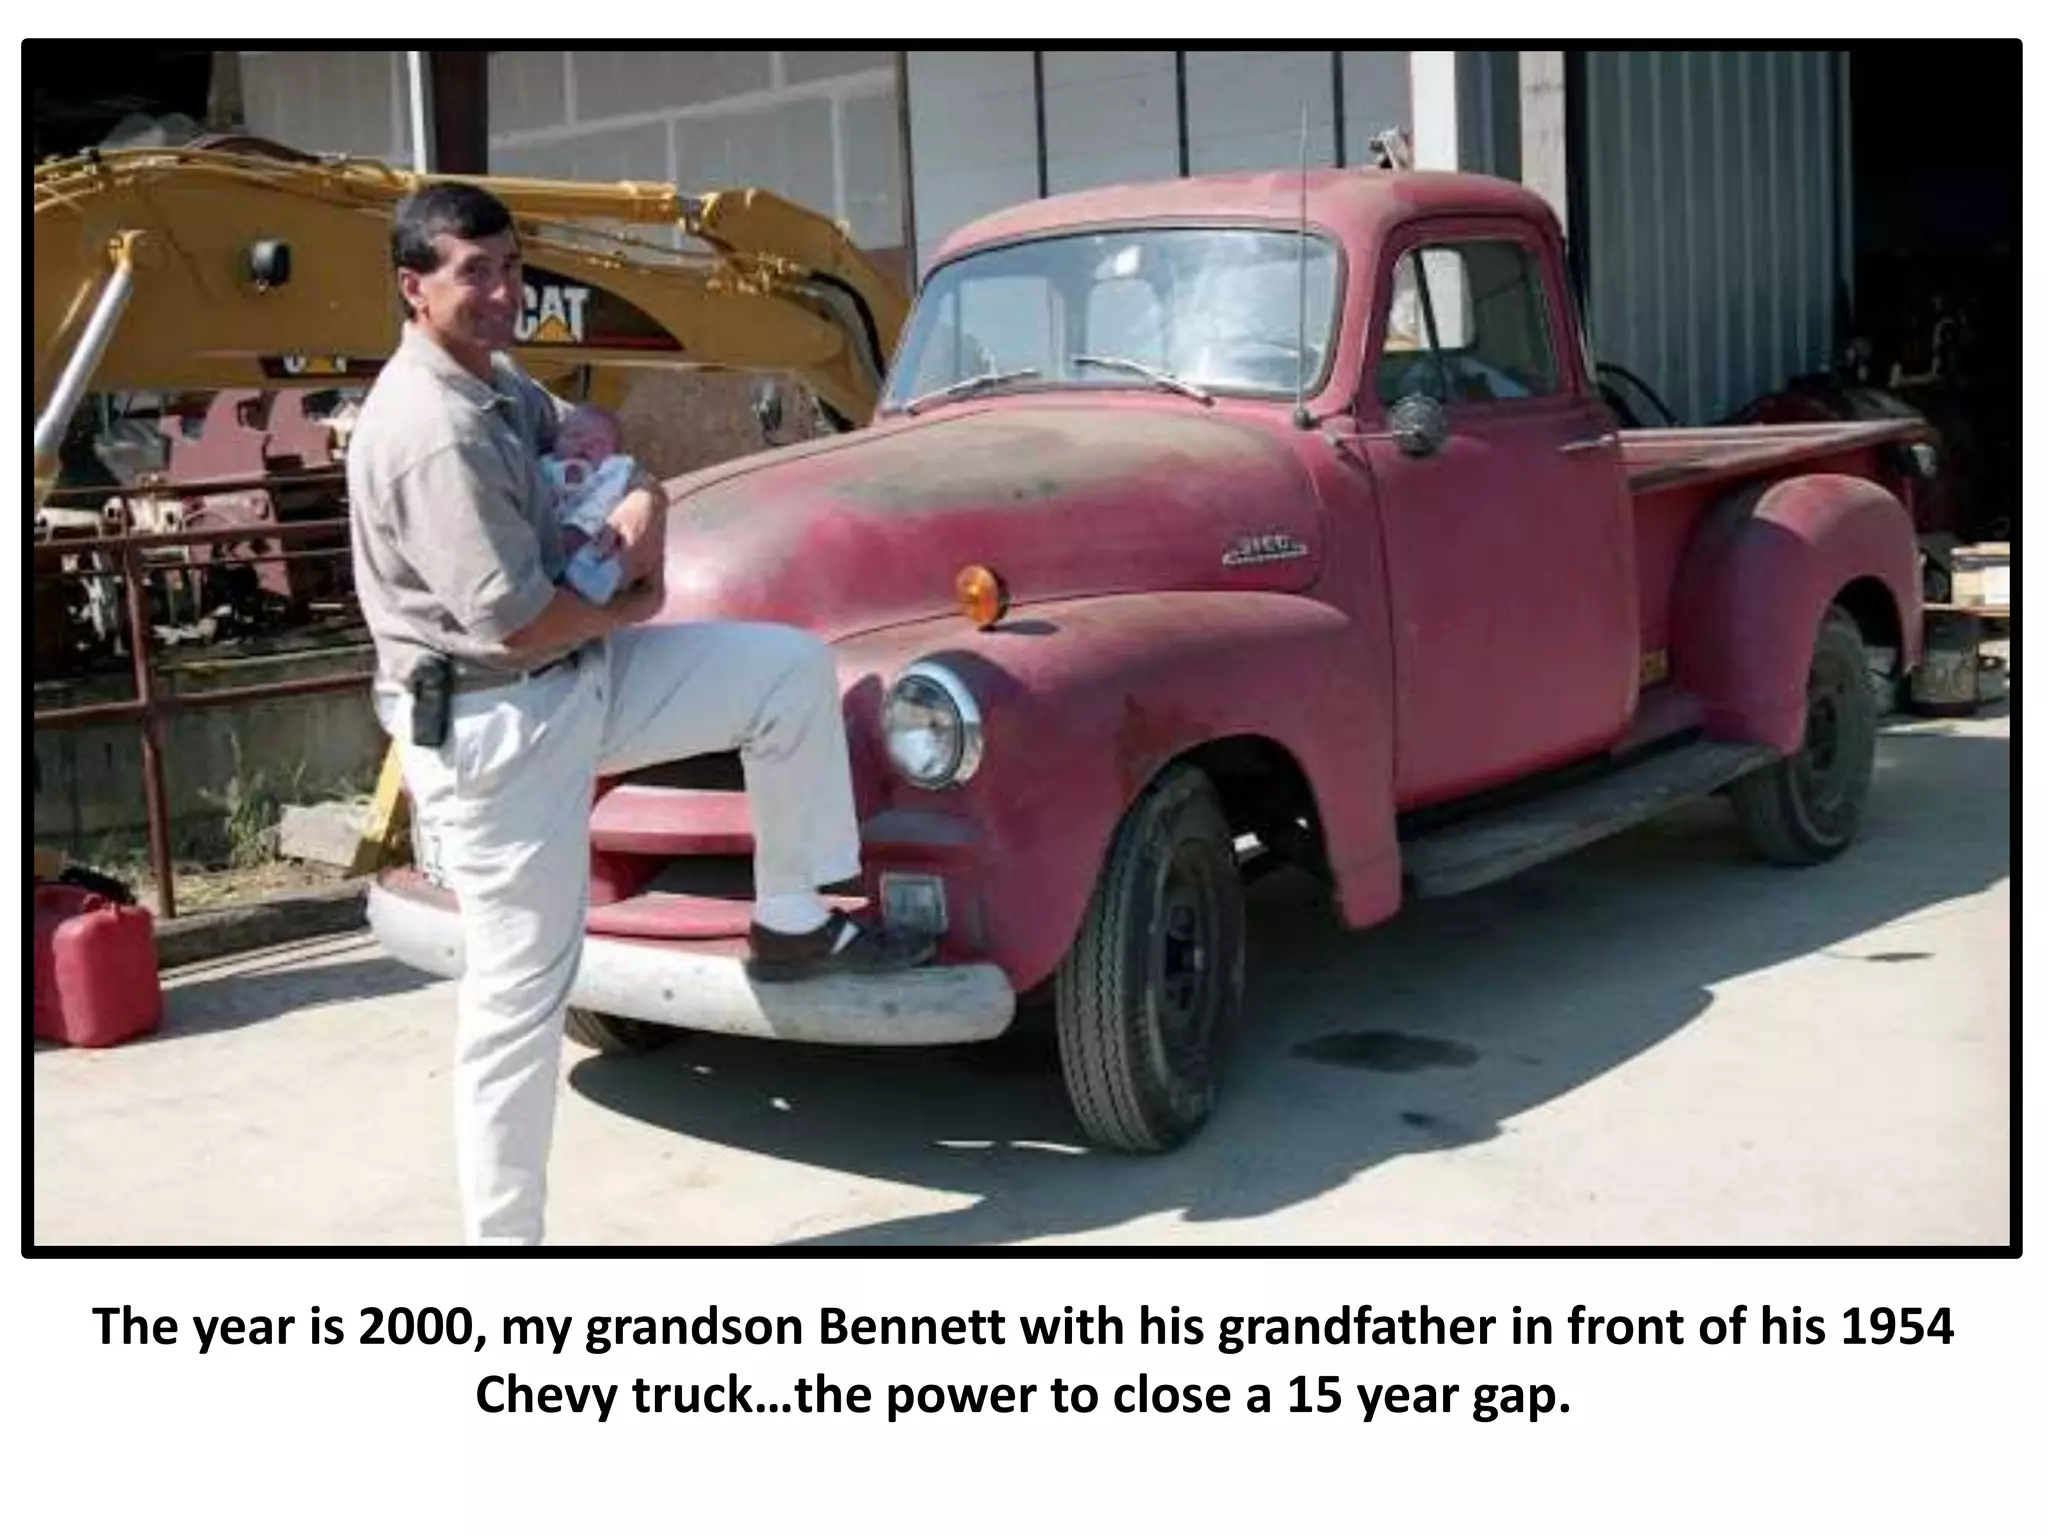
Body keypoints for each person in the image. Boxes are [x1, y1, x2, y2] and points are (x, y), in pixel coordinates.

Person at [347, 182, 932, 1246]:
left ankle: (793, 921)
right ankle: (503, 1253)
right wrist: (639, 584)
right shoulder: (432, 429)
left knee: (786, 673)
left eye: (512, 267)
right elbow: (515, 620)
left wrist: (635, 501)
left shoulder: (491, 384)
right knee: (517, 1005)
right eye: (472, 273)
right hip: (498, 729)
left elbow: (593, 436)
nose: (501, 292)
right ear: (412, 287)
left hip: (577, 679)